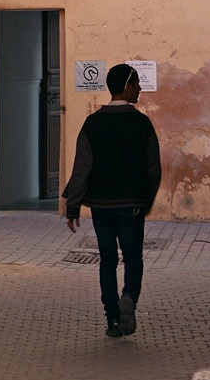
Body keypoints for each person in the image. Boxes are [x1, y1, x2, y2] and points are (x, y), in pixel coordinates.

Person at [63, 64, 162, 338]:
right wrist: (146, 199)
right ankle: (129, 296)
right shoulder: (142, 124)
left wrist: (73, 206)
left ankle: (113, 319)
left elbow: (81, 168)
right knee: (132, 258)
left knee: (107, 260)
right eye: (137, 84)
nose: (140, 89)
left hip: (101, 208)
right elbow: (154, 168)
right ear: (128, 87)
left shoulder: (93, 123)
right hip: (132, 206)